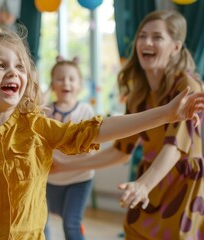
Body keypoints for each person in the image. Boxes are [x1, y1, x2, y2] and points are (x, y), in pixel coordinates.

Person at [0, 24, 204, 239]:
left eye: (20, 66)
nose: (13, 71)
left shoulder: (37, 126)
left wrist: (165, 113)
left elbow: (94, 130)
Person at [52, 10, 204, 239]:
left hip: (182, 185)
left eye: (157, 37)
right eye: (142, 36)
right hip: (149, 181)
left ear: (175, 47)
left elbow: (175, 147)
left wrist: (143, 185)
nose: (146, 42)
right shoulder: (138, 93)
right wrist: (64, 166)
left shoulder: (187, 86)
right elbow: (121, 151)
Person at [44, 56, 96, 240]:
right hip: (51, 179)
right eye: (60, 78)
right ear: (52, 84)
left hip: (79, 178)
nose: (66, 82)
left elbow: (93, 146)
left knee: (71, 223)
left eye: (71, 78)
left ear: (80, 85)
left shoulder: (85, 111)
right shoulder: (46, 111)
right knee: (41, 220)